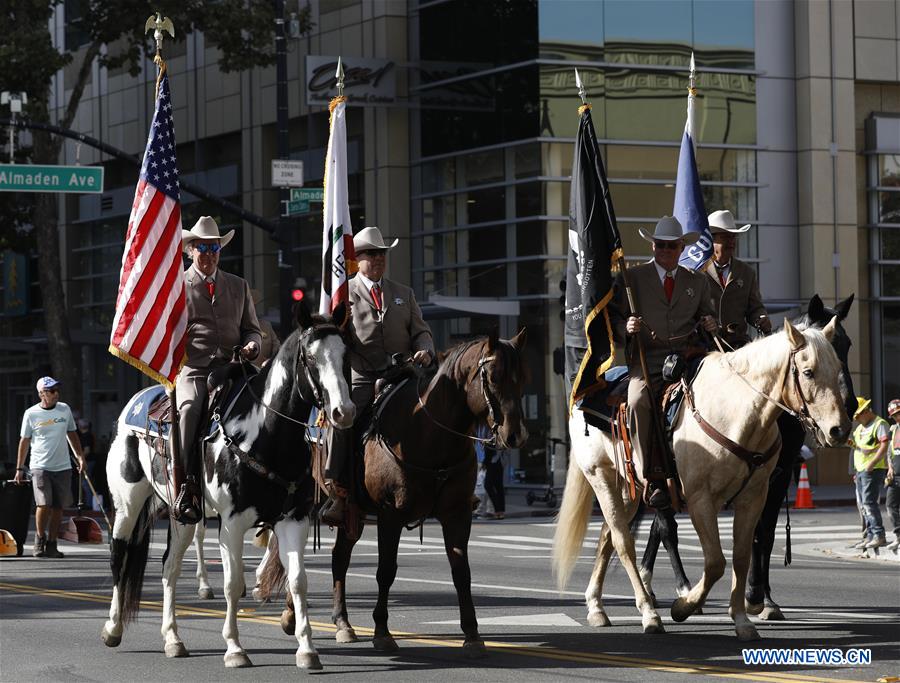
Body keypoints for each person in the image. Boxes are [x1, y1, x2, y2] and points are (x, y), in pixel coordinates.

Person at [321, 226, 435, 526]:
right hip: (363, 376)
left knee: (436, 410)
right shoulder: (343, 294)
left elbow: (421, 331)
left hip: (402, 373)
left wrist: (425, 349)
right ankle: (337, 489)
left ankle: (443, 482)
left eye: (382, 253)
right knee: (342, 418)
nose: (379, 258)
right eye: (372, 254)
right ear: (357, 259)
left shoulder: (403, 293)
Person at [611, 216, 717, 509]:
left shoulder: (697, 281)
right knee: (637, 400)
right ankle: (649, 476)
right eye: (660, 246)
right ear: (653, 246)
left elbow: (708, 316)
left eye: (671, 246)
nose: (665, 251)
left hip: (687, 359)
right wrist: (626, 327)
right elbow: (614, 320)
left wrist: (710, 322)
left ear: (681, 247)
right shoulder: (631, 278)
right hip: (647, 360)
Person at [175, 216, 262, 524]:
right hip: (194, 370)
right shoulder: (177, 286)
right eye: (203, 248)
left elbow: (253, 329)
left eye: (214, 247)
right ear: (190, 251)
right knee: (188, 412)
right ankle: (187, 486)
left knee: (268, 404)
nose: (209, 254)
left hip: (234, 368)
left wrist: (253, 345)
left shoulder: (238, 285)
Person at [14, 377, 85, 558]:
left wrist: (80, 457)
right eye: (51, 391)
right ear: (41, 394)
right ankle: (40, 539)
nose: (55, 394)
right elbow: (25, 441)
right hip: (39, 466)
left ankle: (52, 544)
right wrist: (19, 469)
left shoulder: (64, 409)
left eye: (56, 390)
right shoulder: (31, 414)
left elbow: (72, 434)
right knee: (44, 503)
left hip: (62, 466)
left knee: (58, 507)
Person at [703, 210, 771, 348]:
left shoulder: (747, 272)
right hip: (706, 345)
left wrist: (761, 318)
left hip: (738, 346)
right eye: (725, 237)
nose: (731, 242)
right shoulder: (698, 272)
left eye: (733, 237)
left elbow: (755, 308)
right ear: (711, 240)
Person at [850, 396, 890, 549]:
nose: (857, 420)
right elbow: (860, 450)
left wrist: (872, 463)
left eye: (858, 416)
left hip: (872, 470)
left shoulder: (879, 424)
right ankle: (870, 536)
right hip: (861, 471)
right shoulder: (860, 428)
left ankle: (879, 535)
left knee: (869, 503)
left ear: (865, 411)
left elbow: (884, 446)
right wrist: (857, 470)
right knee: (863, 505)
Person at [250, 289, 281, 367]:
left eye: (254, 305)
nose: (251, 309)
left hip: (264, 373)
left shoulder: (266, 325)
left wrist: (270, 361)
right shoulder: (235, 328)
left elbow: (277, 348)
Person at [885, 398, 900, 551]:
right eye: (894, 415)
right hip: (895, 476)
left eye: (898, 413)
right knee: (890, 506)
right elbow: (890, 451)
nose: (897, 417)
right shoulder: (894, 429)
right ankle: (898, 536)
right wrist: (889, 468)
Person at [76, 419, 96, 508]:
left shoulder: (86, 436)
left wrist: (80, 459)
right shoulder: (90, 435)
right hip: (90, 461)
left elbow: (87, 450)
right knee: (86, 483)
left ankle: (88, 504)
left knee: (86, 483)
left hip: (88, 462)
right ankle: (88, 503)